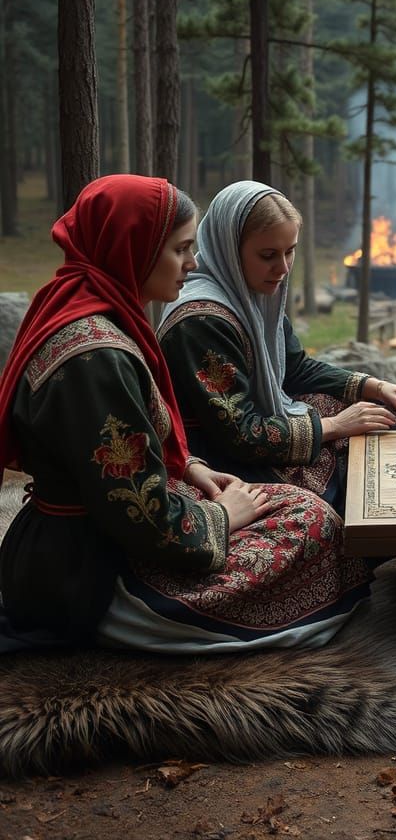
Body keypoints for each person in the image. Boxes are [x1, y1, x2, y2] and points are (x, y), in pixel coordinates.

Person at [0, 175, 372, 651]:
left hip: (93, 539)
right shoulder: (97, 360)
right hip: (85, 573)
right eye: (180, 250)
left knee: (300, 509)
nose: (192, 264)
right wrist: (220, 516)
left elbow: (131, 450)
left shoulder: (93, 316)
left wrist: (192, 467)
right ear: (133, 247)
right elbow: (141, 517)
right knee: (313, 527)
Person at [158, 181, 396, 510]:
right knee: (348, 480)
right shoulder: (201, 323)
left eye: (290, 251)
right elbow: (241, 435)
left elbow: (296, 367)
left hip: (260, 423)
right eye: (268, 255)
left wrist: (375, 386)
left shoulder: (251, 293)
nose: (284, 268)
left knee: (386, 416)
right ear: (229, 249)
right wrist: (335, 426)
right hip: (220, 458)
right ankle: (379, 535)